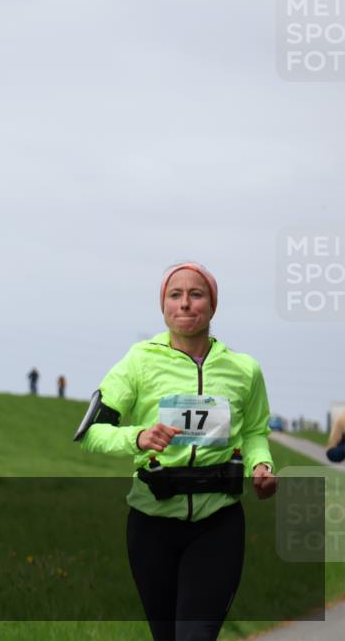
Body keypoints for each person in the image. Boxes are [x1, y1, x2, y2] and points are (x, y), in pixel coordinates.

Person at [74, 262, 278, 641]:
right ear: (163, 305)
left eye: (196, 294)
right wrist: (137, 437)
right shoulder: (138, 361)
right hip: (151, 523)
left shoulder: (244, 370)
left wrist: (261, 464)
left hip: (218, 522)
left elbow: (253, 433)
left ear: (212, 306)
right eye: (175, 294)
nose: (185, 304)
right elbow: (90, 433)